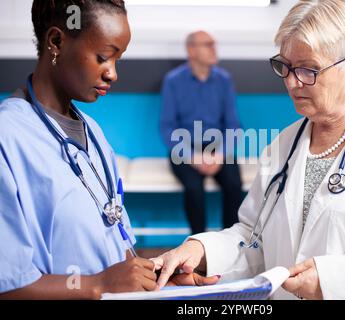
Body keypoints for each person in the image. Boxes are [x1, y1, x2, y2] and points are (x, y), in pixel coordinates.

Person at [152, 0, 345, 300]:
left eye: (309, 69)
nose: (293, 83)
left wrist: (332, 279)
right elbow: (253, 239)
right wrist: (202, 250)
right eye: (286, 66)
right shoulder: (281, 147)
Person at [0, 0, 218, 299]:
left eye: (118, 59)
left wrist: (153, 281)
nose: (112, 74)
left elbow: (113, 244)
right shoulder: (8, 139)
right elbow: (8, 286)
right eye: (103, 57)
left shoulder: (94, 134)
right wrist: (97, 284)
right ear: (56, 42)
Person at [160, 30, 243, 234]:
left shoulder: (224, 80)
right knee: (194, 188)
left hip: (217, 147)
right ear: (191, 50)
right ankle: (198, 244)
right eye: (208, 44)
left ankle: (229, 242)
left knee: (233, 185)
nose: (214, 48)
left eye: (214, 43)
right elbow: (167, 126)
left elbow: (233, 124)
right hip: (185, 148)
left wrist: (220, 155)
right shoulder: (173, 81)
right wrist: (192, 157)